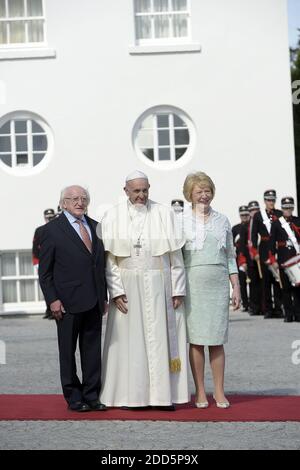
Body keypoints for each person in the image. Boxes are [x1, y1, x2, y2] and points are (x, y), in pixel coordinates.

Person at [100, 170, 189, 410]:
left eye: (145, 190)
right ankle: (131, 397)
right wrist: (116, 291)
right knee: (131, 341)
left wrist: (178, 288)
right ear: (126, 191)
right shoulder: (113, 216)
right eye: (136, 191)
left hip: (159, 283)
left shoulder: (163, 213)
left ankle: (162, 397)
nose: (141, 195)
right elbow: (110, 260)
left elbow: (175, 256)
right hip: (127, 285)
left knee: (159, 340)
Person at [39, 185, 107, 412]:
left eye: (83, 198)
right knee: (67, 352)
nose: (80, 202)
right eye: (74, 199)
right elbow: (45, 272)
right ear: (63, 203)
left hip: (94, 300)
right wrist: (52, 300)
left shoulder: (96, 227)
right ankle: (74, 397)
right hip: (66, 303)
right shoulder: (51, 230)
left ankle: (92, 395)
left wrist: (103, 295)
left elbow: (100, 266)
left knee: (92, 351)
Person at [182, 172, 240, 409]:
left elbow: (231, 257)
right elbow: (175, 258)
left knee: (217, 340)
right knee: (196, 341)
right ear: (190, 195)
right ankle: (200, 392)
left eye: (207, 191)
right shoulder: (181, 221)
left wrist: (235, 285)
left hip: (217, 285)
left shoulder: (223, 220)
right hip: (192, 284)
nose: (204, 195)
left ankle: (218, 390)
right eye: (199, 191)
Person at [251, 190, 283, 319]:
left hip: (276, 248)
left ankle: (279, 308)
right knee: (266, 281)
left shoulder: (280, 214)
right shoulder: (259, 215)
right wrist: (255, 251)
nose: (271, 202)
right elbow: (253, 235)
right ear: (264, 201)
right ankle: (268, 309)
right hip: (264, 248)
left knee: (278, 279)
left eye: (273, 200)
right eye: (269, 200)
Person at [269, 197, 300, 322]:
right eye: (285, 208)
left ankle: (298, 314)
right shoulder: (276, 223)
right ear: (282, 209)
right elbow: (272, 243)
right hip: (283, 260)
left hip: (296, 259)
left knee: (298, 289)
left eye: (290, 208)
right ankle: (288, 314)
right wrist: (273, 261)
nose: (288, 210)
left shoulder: (298, 221)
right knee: (286, 289)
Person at [239, 201, 263, 315]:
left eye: (255, 210)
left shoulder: (262, 222)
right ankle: (254, 307)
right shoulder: (244, 227)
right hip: (250, 258)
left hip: (261, 257)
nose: (254, 213)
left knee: (262, 283)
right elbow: (242, 246)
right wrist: (243, 260)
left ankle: (263, 306)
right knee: (253, 284)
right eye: (251, 211)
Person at [32, 208, 56, 319]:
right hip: (43, 262)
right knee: (46, 285)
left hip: (56, 263)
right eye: (48, 217)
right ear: (44, 217)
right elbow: (35, 247)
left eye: (51, 217)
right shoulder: (40, 230)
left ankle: (53, 310)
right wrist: (36, 262)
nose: (49, 219)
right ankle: (48, 309)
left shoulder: (58, 229)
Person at [232, 205, 250, 312]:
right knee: (242, 282)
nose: (244, 217)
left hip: (250, 257)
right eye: (242, 215)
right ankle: (246, 303)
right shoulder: (235, 228)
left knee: (254, 283)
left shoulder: (252, 226)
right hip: (240, 258)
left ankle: (254, 303)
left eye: (246, 215)